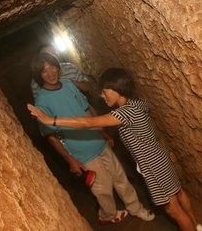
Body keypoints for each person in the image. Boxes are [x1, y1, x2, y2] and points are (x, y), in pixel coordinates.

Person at [28, 68, 202, 231]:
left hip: (153, 165)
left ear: (116, 89)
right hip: (160, 156)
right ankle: (196, 226)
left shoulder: (125, 113)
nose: (102, 95)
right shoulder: (137, 104)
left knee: (173, 210)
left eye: (104, 91)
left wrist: (52, 120)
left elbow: (89, 122)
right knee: (180, 193)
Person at [31, 55, 154, 225]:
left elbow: (86, 108)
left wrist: (102, 132)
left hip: (98, 141)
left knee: (120, 177)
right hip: (81, 152)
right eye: (44, 70)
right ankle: (108, 215)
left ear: (58, 67)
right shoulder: (42, 102)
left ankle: (136, 208)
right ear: (39, 75)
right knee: (103, 187)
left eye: (52, 67)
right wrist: (71, 160)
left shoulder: (68, 84)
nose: (50, 73)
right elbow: (50, 136)